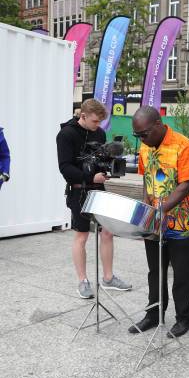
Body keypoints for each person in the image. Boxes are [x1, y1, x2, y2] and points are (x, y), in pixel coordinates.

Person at [128, 106, 189, 338]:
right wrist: (146, 211)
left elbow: (185, 185)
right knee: (155, 271)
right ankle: (154, 314)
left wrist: (160, 210)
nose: (141, 139)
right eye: (137, 135)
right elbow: (147, 181)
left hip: (180, 221)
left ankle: (184, 318)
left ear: (158, 125)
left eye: (144, 134)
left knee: (181, 272)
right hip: (154, 220)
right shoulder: (145, 146)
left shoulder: (184, 146)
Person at [56, 99, 131, 299]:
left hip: (98, 187)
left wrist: (107, 169)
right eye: (95, 121)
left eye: (100, 122)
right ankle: (83, 281)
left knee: (107, 231)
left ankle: (108, 278)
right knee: (82, 235)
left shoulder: (100, 133)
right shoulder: (66, 134)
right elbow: (65, 168)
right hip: (78, 189)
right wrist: (89, 177)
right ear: (83, 116)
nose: (98, 126)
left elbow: (100, 161)